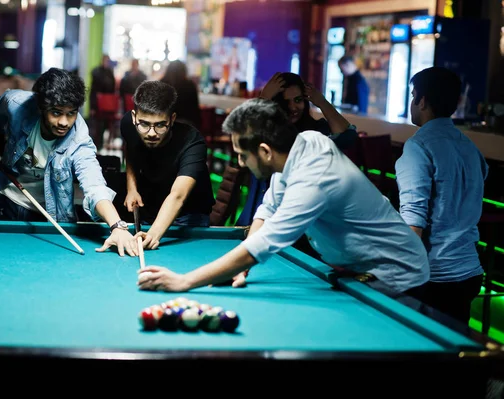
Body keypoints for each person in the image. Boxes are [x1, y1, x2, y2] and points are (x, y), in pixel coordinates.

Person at [137, 98, 429, 301]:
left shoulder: (314, 177)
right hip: (361, 270)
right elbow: (266, 211)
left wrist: (185, 281)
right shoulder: (301, 145)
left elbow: (264, 244)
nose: (239, 161)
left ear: (264, 151)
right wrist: (241, 269)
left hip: (397, 276)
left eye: (242, 154)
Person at [0, 67, 137, 257]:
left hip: (53, 212)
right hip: (10, 200)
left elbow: (95, 185)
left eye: (71, 113)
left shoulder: (78, 141)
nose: (64, 122)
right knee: (5, 259)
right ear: (41, 107)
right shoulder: (17, 104)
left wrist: (117, 226)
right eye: (56, 113)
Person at [395, 66, 488, 325]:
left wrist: (400, 273)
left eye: (414, 95)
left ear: (422, 101)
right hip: (469, 272)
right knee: (456, 350)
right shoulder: (470, 148)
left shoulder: (418, 146)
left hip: (434, 275)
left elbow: (413, 221)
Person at [236, 72, 358, 227]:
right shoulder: (265, 130)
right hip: (258, 215)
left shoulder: (314, 131)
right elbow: (242, 138)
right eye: (285, 102)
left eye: (298, 100)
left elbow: (347, 137)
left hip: (299, 222)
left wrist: (321, 102)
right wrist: (263, 99)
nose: (293, 107)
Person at [121, 80, 215, 250]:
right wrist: (131, 188)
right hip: (151, 206)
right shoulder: (129, 124)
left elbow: (178, 195)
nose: (151, 133)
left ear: (171, 119)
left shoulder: (192, 143)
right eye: (144, 124)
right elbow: (130, 148)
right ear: (134, 117)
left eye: (160, 125)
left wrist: (152, 235)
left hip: (188, 214)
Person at [160, 60, 202, 130]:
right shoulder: (189, 85)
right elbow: (195, 109)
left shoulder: (161, 84)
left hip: (164, 124)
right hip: (187, 125)